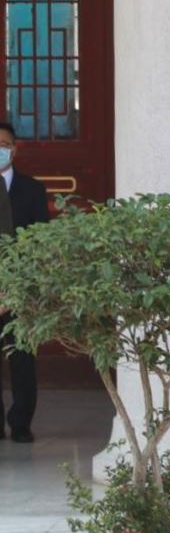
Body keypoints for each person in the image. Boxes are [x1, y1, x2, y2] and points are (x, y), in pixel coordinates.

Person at [0, 123, 49, 442]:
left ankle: (21, 422)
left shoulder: (32, 189)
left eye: (5, 144)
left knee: (21, 357)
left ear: (15, 149)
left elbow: (40, 242)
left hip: (19, 288)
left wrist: (16, 287)